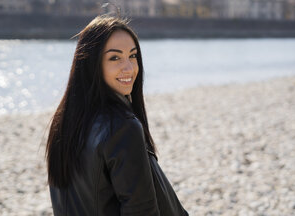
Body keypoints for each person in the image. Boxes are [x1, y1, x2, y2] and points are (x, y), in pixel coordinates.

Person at [45, 14, 189, 216]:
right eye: (115, 57)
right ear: (91, 63)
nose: (129, 67)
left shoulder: (64, 122)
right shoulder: (121, 126)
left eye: (132, 55)